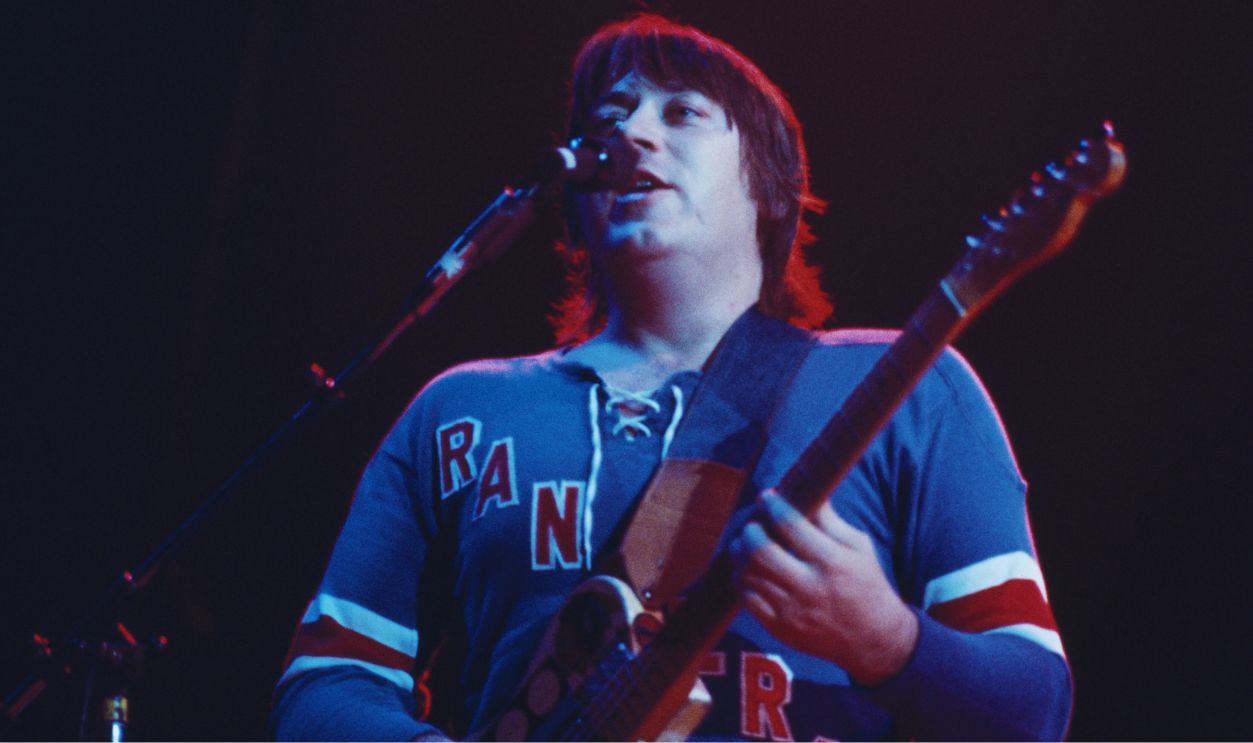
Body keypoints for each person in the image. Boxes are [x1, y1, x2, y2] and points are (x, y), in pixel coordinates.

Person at [271, 14, 1071, 741]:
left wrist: (885, 637)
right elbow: (325, 685)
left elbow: (1033, 709)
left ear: (768, 183)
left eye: (682, 111)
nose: (630, 135)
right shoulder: (460, 408)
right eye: (607, 122)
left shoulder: (908, 387)